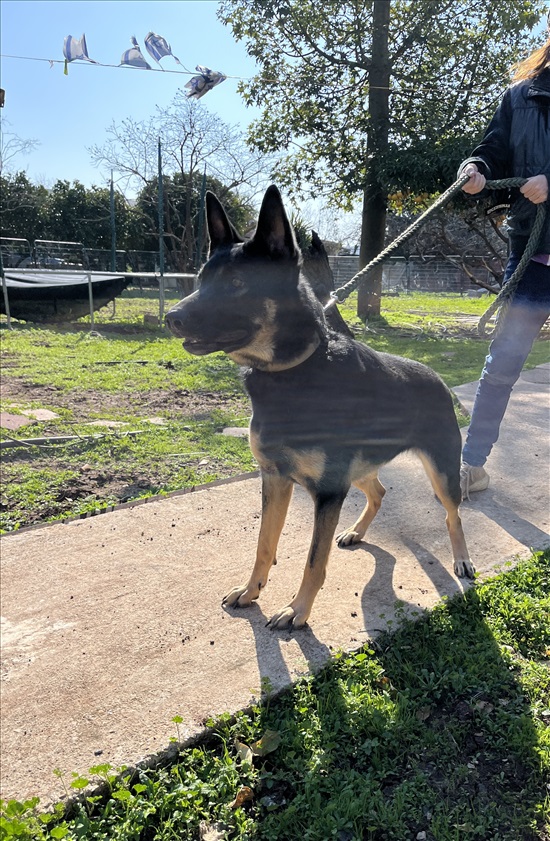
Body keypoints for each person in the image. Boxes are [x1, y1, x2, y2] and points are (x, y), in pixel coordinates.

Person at [458, 19, 550, 499]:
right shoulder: (519, 95)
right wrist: (475, 168)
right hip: (531, 257)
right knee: (502, 366)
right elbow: (492, 149)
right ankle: (471, 465)